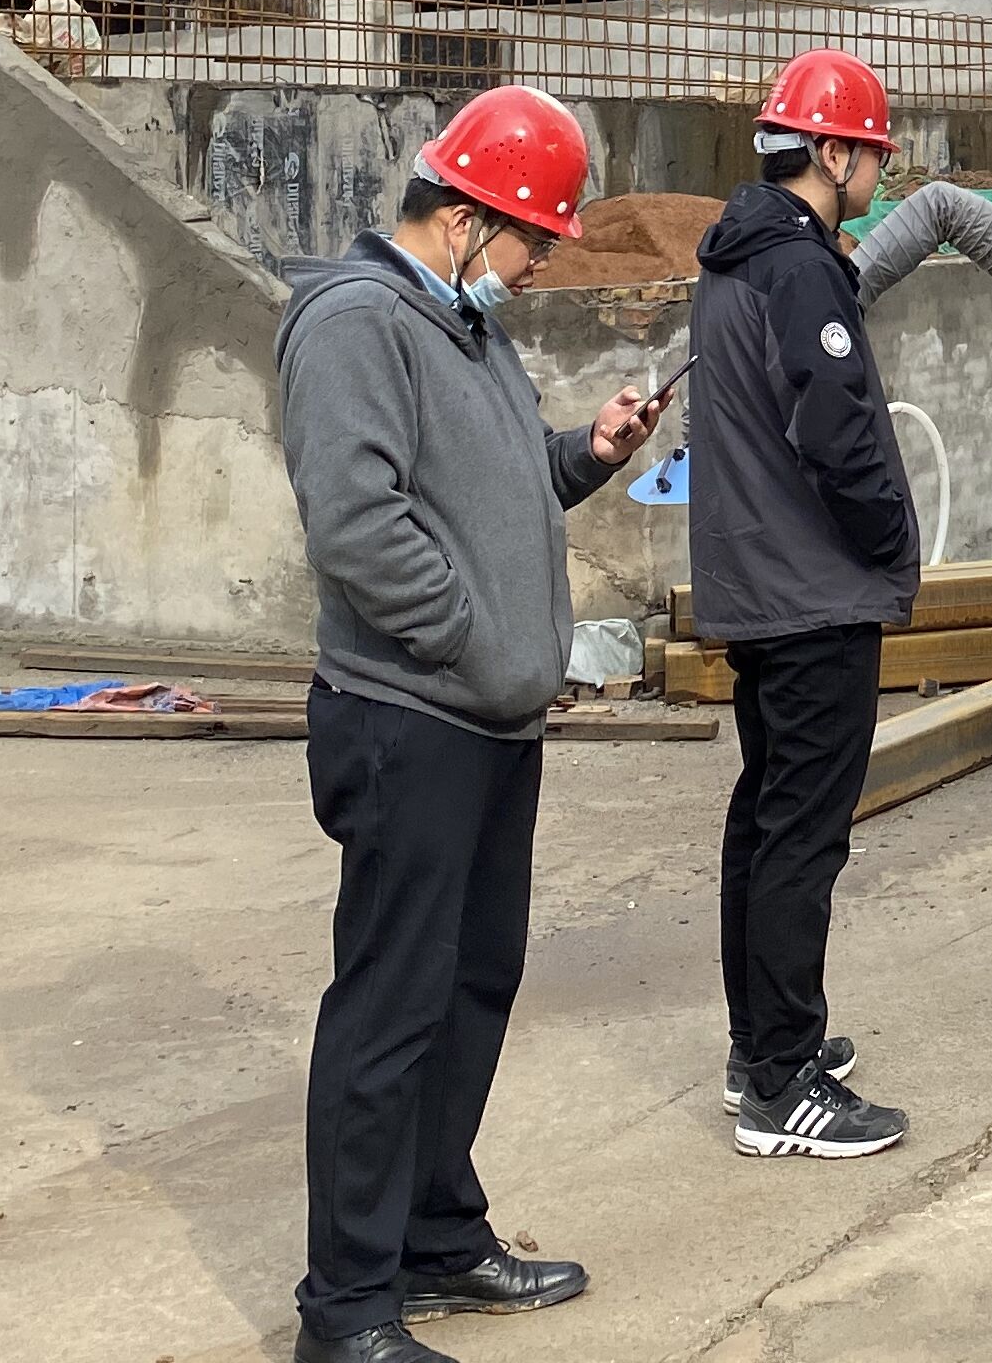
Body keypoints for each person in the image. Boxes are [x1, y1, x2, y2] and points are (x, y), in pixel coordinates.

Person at [278, 85, 668, 1363]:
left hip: (486, 719)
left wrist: (586, 452)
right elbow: (358, 525)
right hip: (411, 718)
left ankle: (437, 1235)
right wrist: (473, 638)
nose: (540, 264)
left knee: (471, 985)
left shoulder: (463, 327)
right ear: (461, 219)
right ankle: (347, 1309)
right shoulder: (356, 324)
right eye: (531, 240)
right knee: (391, 1007)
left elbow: (491, 493)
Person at [683, 51, 918, 1160]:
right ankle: (782, 1083)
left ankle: (761, 1049)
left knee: (767, 819)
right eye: (870, 153)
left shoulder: (737, 255)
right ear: (829, 152)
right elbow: (836, 427)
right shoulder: (799, 269)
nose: (878, 171)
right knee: (802, 841)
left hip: (761, 587)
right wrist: (887, 540)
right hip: (813, 593)